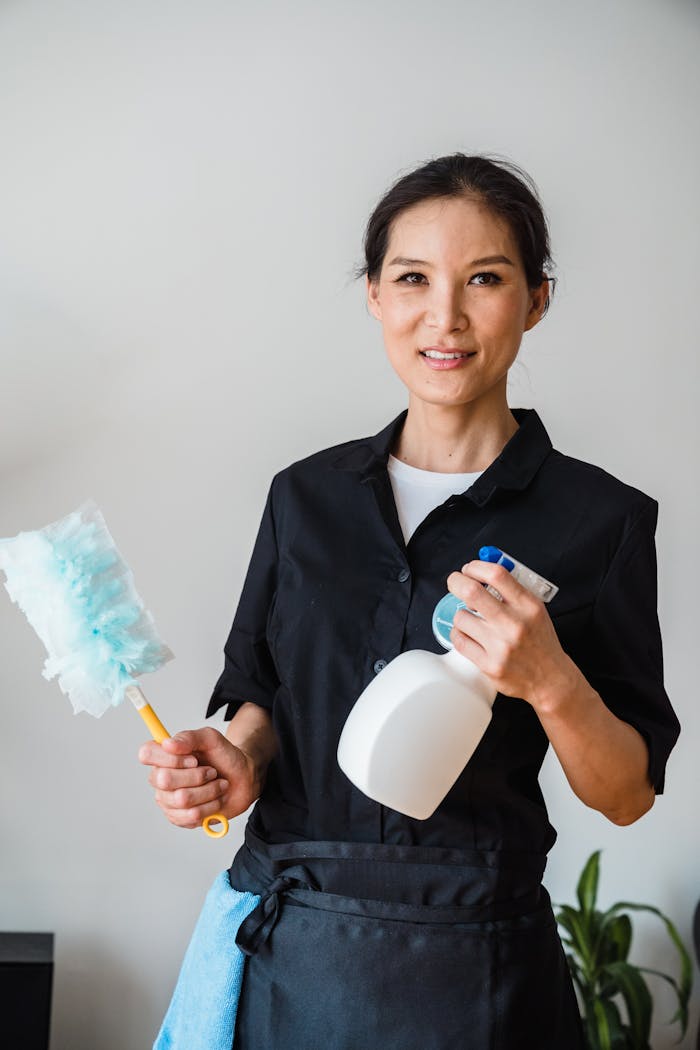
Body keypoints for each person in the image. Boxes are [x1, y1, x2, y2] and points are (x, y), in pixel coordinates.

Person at [139, 154, 680, 1049]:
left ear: (537, 299)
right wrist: (233, 761)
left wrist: (550, 681)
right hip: (291, 954)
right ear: (375, 298)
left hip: (478, 972)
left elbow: (626, 794)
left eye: (486, 280)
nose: (446, 316)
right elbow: (262, 694)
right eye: (413, 279)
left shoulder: (601, 522)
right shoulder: (303, 497)